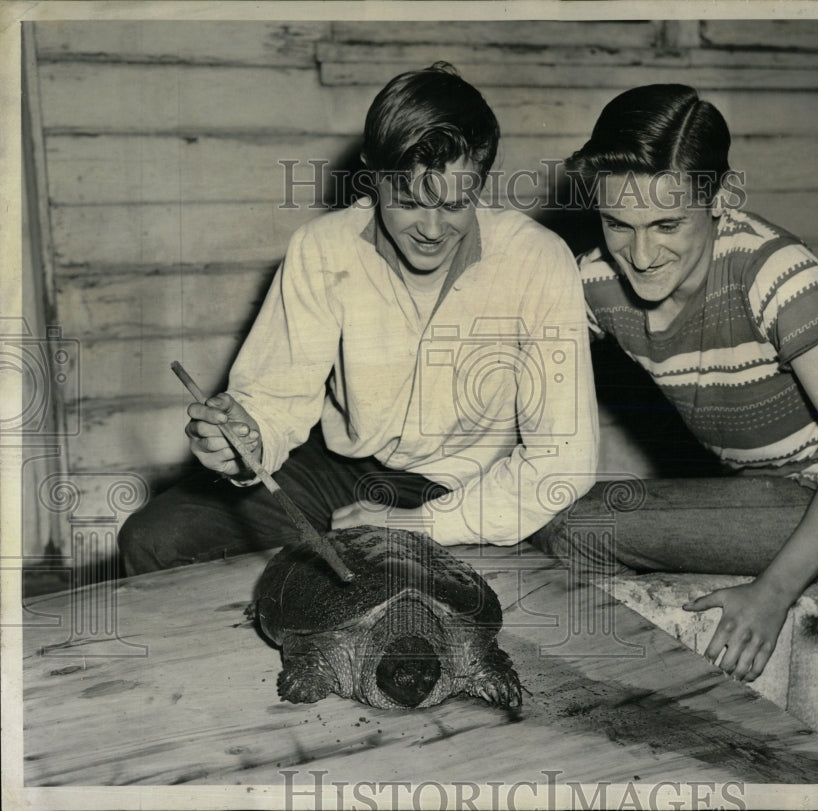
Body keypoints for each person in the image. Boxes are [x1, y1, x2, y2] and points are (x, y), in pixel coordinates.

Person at [118, 63, 599, 574]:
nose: (433, 229)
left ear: (482, 178)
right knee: (154, 539)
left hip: (462, 486)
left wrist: (416, 525)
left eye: (457, 203)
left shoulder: (538, 260)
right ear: (372, 174)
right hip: (335, 470)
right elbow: (275, 399)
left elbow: (563, 461)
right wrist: (246, 441)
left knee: (382, 596)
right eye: (410, 201)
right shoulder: (322, 248)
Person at [552, 84, 818, 681]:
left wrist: (772, 594)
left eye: (668, 224)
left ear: (717, 199)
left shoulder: (771, 271)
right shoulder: (597, 281)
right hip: (753, 498)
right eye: (617, 223)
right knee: (551, 513)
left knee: (580, 524)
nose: (640, 254)